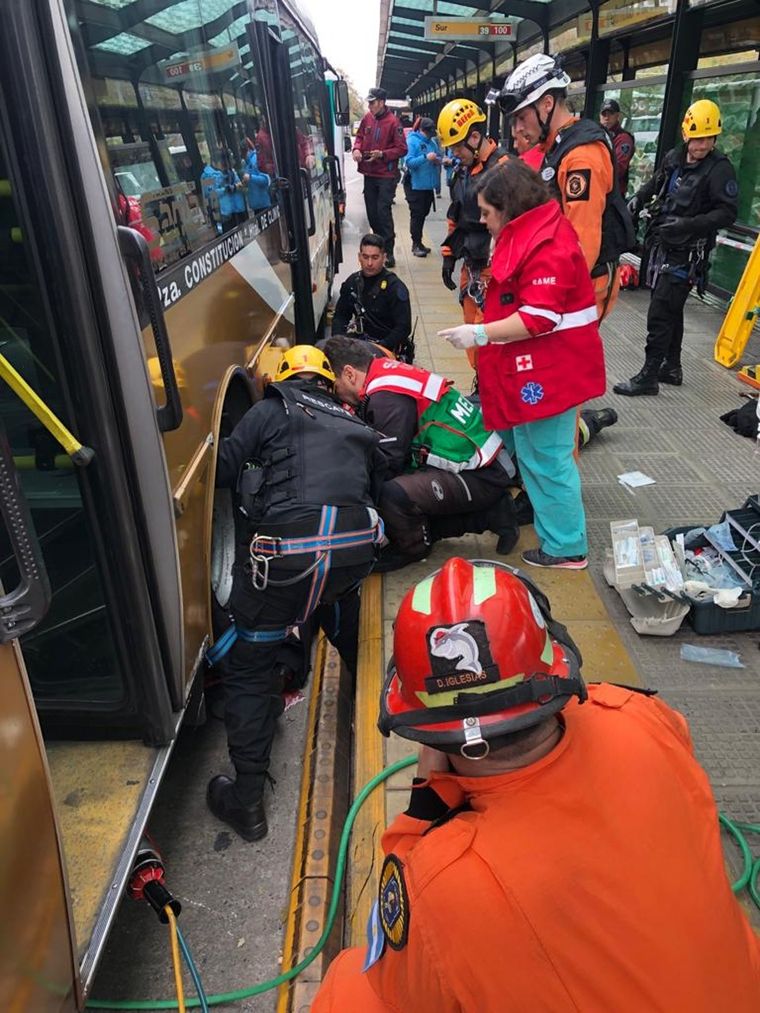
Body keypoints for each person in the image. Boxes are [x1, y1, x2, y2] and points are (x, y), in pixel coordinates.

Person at [312, 557, 760, 1012]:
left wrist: (425, 803)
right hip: (740, 986)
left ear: (422, 722)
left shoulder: (443, 879)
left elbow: (401, 986)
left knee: (349, 986)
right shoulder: (635, 713)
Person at [208, 345, 385, 841]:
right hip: (347, 563)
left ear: (283, 380)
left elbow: (221, 470)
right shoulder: (356, 425)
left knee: (247, 668)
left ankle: (246, 803)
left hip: (283, 565)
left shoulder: (269, 410)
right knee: (337, 617)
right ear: (328, 382)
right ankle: (382, 711)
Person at [438, 159, 605, 570]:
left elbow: (540, 317)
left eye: (487, 213)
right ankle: (552, 528)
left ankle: (566, 548)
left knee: (547, 458)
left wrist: (479, 334)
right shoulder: (535, 232)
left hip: (552, 375)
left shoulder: (549, 246)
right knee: (530, 450)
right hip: (541, 370)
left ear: (509, 209)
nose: (482, 220)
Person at [323, 337, 518, 572]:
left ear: (349, 374)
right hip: (482, 467)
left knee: (390, 495)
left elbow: (389, 462)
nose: (336, 394)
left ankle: (413, 547)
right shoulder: (383, 370)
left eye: (334, 386)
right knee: (402, 501)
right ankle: (491, 514)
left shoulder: (385, 397)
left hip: (483, 475)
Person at [495, 53, 635, 321]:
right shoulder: (557, 146)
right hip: (558, 277)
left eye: (522, 117)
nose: (517, 129)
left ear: (547, 104)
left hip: (582, 286)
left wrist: (549, 302)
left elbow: (584, 245)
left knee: (565, 359)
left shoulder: (581, 156)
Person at [614, 99, 738, 396]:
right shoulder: (675, 158)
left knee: (660, 311)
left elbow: (727, 212)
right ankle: (672, 366)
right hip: (663, 246)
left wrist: (688, 224)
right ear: (686, 134)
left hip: (687, 251)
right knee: (671, 308)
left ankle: (648, 376)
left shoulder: (719, 170)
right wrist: (636, 200)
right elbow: (655, 184)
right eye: (697, 138)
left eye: (708, 138)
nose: (701, 145)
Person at [437, 99, 511, 365]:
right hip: (472, 265)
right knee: (471, 331)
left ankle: (490, 386)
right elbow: (454, 216)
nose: (455, 152)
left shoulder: (505, 170)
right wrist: (448, 256)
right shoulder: (463, 172)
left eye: (458, 146)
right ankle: (482, 383)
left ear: (476, 136)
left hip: (497, 267)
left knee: (489, 334)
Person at [331, 234, 413, 360]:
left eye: (375, 258)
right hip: (361, 343)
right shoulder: (353, 282)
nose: (369, 263)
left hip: (386, 346)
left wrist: (380, 347)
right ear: (359, 257)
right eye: (365, 257)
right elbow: (340, 317)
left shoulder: (394, 287)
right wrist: (338, 343)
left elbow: (403, 328)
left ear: (384, 257)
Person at [352, 87, 407, 268]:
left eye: (372, 103)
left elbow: (402, 149)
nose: (369, 106)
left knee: (383, 213)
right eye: (368, 102)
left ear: (382, 102)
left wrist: (382, 154)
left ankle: (388, 251)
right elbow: (359, 136)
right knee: (372, 213)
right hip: (369, 173)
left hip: (386, 175)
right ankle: (379, 246)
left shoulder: (393, 123)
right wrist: (357, 149)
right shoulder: (367, 118)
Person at [404, 117, 442, 257]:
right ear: (421, 130)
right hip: (415, 186)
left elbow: (437, 156)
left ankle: (419, 243)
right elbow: (409, 162)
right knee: (417, 215)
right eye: (427, 132)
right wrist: (425, 157)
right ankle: (415, 244)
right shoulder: (412, 141)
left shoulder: (432, 142)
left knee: (423, 214)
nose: (430, 135)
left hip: (428, 186)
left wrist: (438, 160)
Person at [600, 98, 635, 196]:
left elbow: (618, 168)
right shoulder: (596, 135)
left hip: (614, 196)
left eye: (610, 114)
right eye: (604, 114)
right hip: (598, 192)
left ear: (617, 116)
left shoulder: (623, 138)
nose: (607, 118)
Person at [241, 140, 271, 213]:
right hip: (255, 206)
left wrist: (250, 178)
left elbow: (266, 180)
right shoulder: (245, 165)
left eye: (242, 152)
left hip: (263, 205)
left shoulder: (257, 159)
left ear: (247, 150)